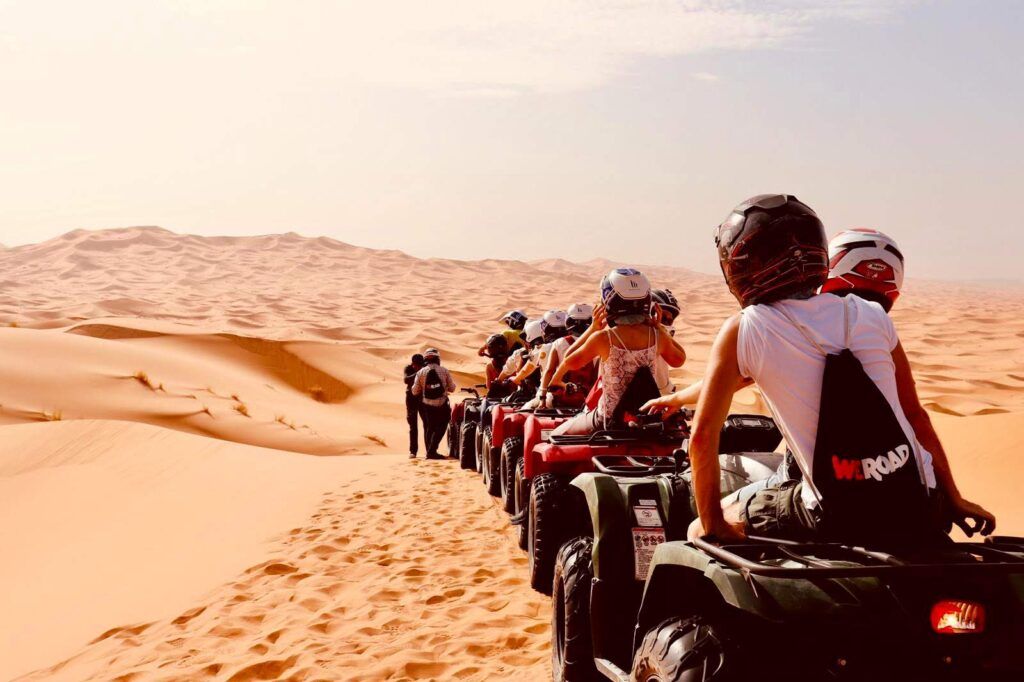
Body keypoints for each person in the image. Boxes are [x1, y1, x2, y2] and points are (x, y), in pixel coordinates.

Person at [682, 194, 993, 545]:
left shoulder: (746, 328)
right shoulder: (872, 314)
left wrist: (713, 524)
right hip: (923, 505)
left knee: (698, 530)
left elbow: (703, 438)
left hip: (838, 515)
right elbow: (916, 417)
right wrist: (954, 498)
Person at [548, 268, 686, 435]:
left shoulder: (604, 338)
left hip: (607, 420)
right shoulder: (657, 337)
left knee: (555, 435)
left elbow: (569, 361)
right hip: (645, 418)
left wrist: (592, 329)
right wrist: (659, 328)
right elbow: (680, 360)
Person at [532, 303, 598, 408]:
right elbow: (595, 379)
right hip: (584, 402)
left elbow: (549, 371)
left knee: (528, 407)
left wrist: (542, 400)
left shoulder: (559, 343)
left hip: (558, 399)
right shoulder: (597, 344)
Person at [411, 348, 456, 459]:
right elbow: (452, 388)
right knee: (442, 425)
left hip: (427, 405)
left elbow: (414, 391)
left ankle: (430, 451)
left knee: (430, 428)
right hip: (442, 404)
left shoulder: (420, 372)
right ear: (437, 359)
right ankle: (432, 450)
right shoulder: (444, 370)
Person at [651, 289, 682, 394]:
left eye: (670, 320)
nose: (667, 323)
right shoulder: (655, 339)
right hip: (656, 399)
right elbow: (679, 359)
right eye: (663, 318)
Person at [403, 353, 426, 458]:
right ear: (412, 364)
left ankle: (429, 450)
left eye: (420, 365)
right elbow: (406, 380)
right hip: (411, 399)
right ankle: (413, 451)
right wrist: (418, 373)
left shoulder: (426, 368)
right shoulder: (408, 368)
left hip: (423, 398)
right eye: (416, 365)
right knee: (413, 426)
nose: (418, 367)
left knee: (427, 424)